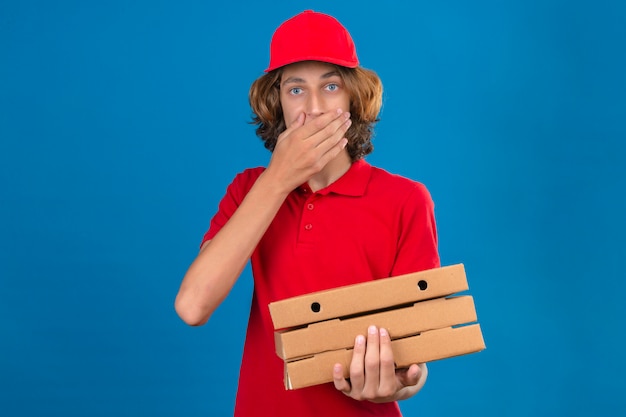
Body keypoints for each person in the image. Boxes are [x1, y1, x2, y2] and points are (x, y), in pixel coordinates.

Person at [175, 10, 440, 416]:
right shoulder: (250, 190)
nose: (314, 108)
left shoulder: (405, 199)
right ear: (277, 103)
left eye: (330, 86)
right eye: (296, 90)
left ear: (352, 96)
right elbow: (193, 306)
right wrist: (278, 179)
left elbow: (417, 353)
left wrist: (400, 386)